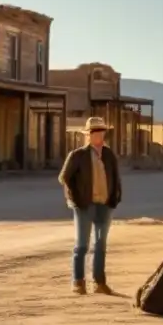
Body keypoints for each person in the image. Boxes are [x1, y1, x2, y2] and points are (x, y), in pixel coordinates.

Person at [59, 116, 123, 296]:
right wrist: (75, 198)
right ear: (88, 135)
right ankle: (78, 282)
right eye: (94, 132)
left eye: (101, 131)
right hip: (84, 205)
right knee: (82, 245)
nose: (98, 135)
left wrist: (116, 197)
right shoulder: (78, 155)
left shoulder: (109, 154)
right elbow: (64, 177)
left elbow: (116, 177)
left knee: (101, 245)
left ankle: (99, 283)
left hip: (105, 204)